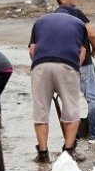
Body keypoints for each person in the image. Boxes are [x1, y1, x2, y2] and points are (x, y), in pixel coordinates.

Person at [29, 12, 89, 163]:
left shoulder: (40, 21)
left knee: (40, 111)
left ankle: (43, 154)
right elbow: (82, 52)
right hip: (67, 65)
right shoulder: (80, 24)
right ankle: (69, 152)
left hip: (41, 65)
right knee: (71, 109)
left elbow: (32, 50)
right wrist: (75, 69)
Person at [54, 0, 95, 144]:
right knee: (93, 99)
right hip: (83, 64)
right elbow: (91, 34)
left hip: (63, 65)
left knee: (69, 102)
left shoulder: (53, 17)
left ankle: (73, 138)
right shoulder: (77, 14)